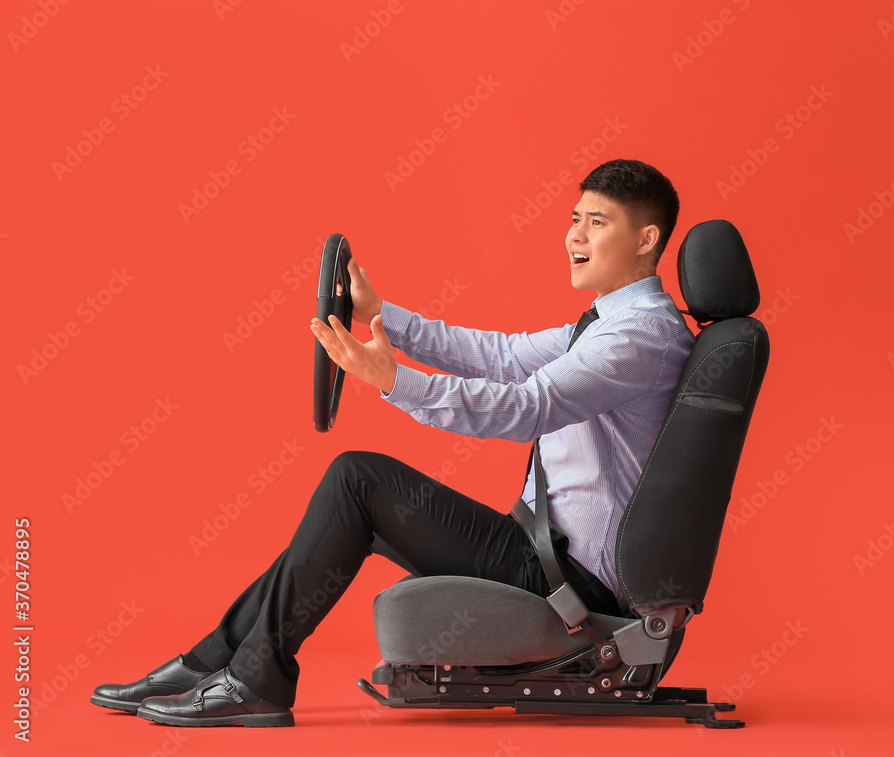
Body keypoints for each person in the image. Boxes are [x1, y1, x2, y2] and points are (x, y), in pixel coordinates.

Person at [90, 158, 695, 727]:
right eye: (573, 219)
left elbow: (528, 406)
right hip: (539, 548)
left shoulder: (638, 338)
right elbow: (503, 356)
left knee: (359, 480)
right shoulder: (607, 324)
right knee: (354, 496)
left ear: (646, 239)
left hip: (570, 582)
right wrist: (383, 315)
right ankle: (218, 663)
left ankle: (252, 678)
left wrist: (393, 381)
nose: (575, 236)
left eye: (598, 222)